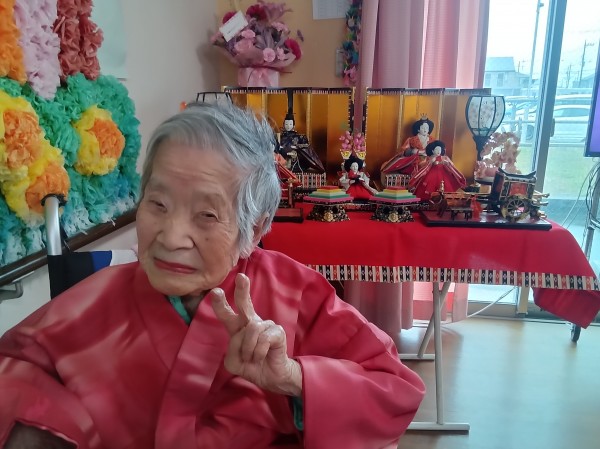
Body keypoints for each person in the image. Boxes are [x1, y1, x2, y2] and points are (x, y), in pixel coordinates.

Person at [0, 103, 425, 449]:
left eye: (206, 215)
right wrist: (48, 427)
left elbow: (394, 390)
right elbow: (14, 371)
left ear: (254, 231)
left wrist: (293, 379)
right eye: (158, 205)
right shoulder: (92, 303)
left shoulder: (294, 294)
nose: (171, 237)